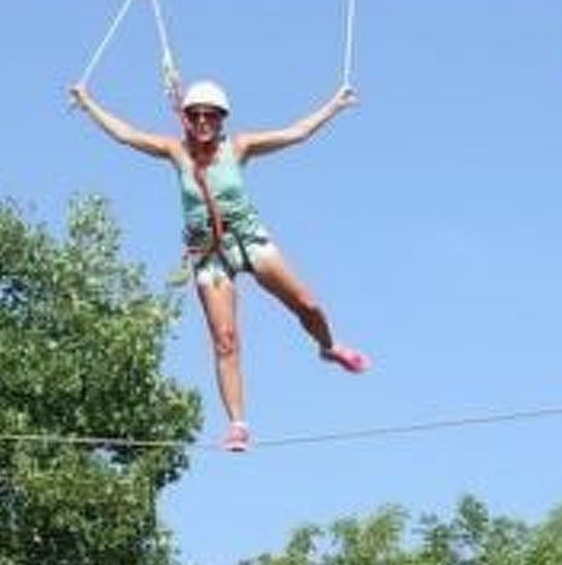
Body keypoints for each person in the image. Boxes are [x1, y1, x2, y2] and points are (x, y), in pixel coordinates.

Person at [69, 77, 369, 453]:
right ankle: (238, 424)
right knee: (225, 340)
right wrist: (87, 103)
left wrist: (335, 105)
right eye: (195, 115)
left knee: (307, 305)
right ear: (186, 118)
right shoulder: (175, 152)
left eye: (210, 115)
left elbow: (297, 132)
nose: (202, 121)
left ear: (221, 119)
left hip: (248, 239)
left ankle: (329, 346)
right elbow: (126, 134)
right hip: (209, 254)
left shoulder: (239, 147)